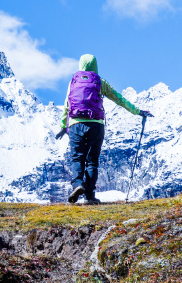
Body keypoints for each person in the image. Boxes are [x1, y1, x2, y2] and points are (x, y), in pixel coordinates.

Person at [56, 54, 153, 205]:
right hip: (96, 125)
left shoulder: (73, 82)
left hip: (75, 124)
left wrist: (63, 126)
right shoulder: (100, 82)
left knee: (77, 158)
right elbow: (119, 99)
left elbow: (66, 105)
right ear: (95, 65)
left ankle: (77, 185)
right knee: (92, 161)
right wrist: (137, 111)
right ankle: (90, 196)